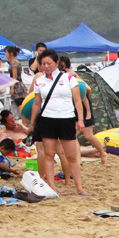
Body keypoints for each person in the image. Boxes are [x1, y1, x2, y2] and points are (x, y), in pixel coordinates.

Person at [27, 49, 87, 196]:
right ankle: (52, 186)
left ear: (57, 63)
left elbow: (78, 101)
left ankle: (79, 187)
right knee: (49, 154)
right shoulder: (39, 81)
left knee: (71, 155)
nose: (46, 66)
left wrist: (80, 120)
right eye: (43, 63)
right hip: (47, 119)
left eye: (49, 63)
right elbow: (36, 103)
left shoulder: (68, 78)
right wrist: (32, 123)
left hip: (66, 118)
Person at [60, 56, 106, 165]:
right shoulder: (62, 76)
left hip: (83, 108)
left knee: (88, 135)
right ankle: (78, 159)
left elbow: (85, 92)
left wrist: (88, 112)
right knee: (73, 135)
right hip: (73, 108)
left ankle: (102, 153)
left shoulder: (72, 75)